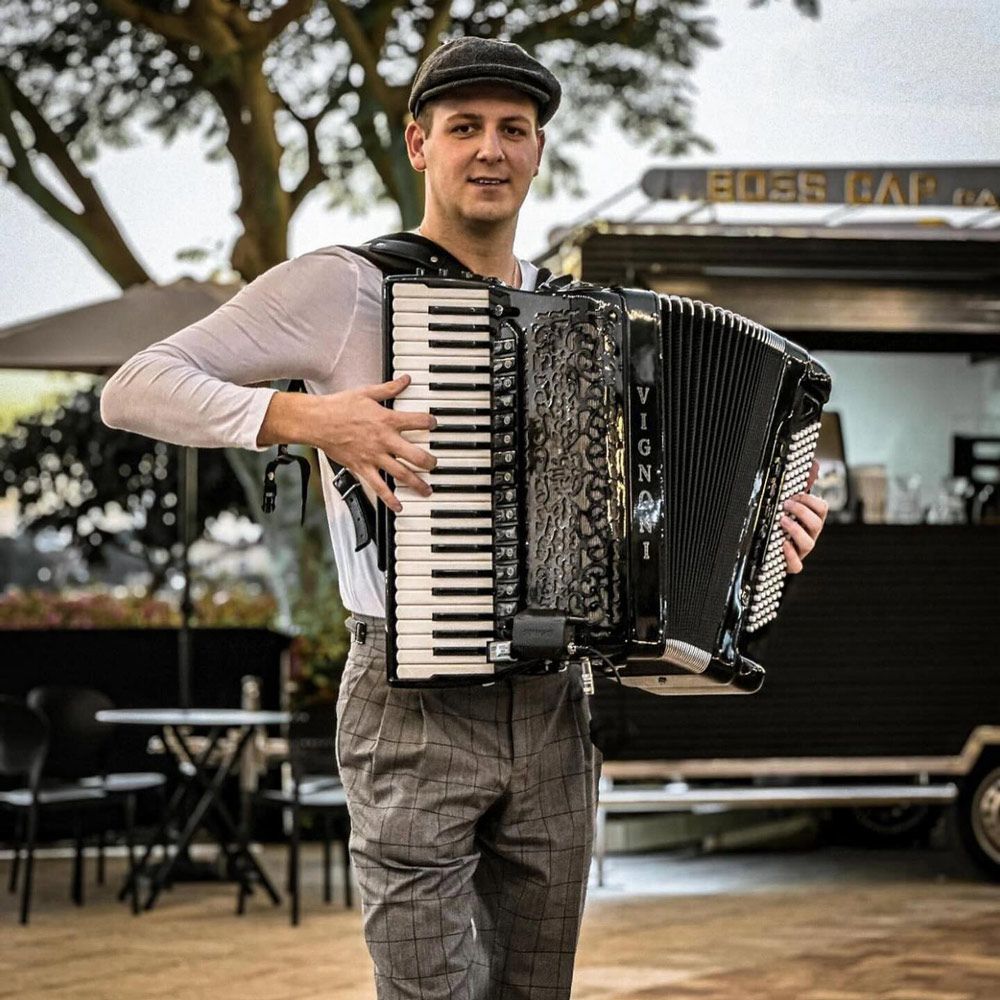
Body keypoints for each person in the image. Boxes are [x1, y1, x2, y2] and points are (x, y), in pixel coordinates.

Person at [101, 37, 827, 999]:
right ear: (419, 143)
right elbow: (134, 387)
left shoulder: (580, 319)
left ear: (537, 152)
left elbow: (638, 527)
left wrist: (754, 542)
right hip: (410, 708)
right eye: (465, 127)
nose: (491, 149)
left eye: (513, 130)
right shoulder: (344, 286)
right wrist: (311, 419)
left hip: (554, 706)